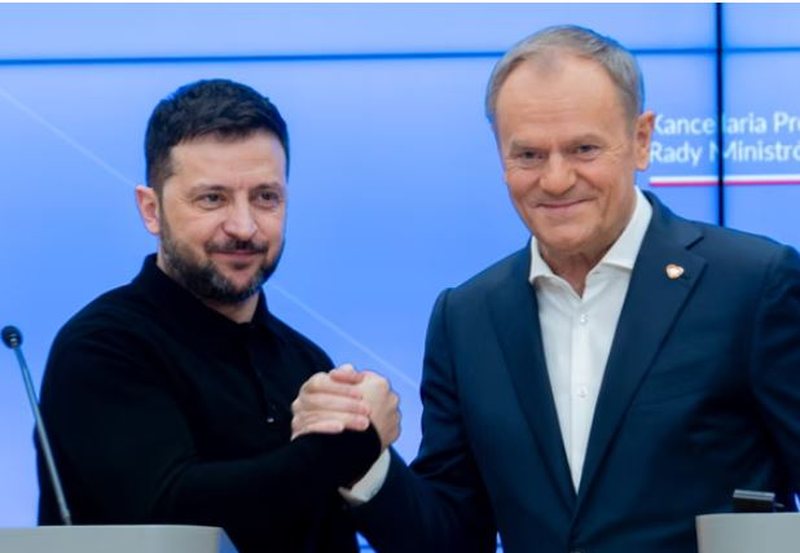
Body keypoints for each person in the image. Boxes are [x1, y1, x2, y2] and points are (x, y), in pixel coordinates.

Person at [292, 25, 800, 552]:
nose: (556, 180)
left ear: (641, 140)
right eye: (529, 155)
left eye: (584, 149)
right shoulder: (467, 317)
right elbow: (451, 536)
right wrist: (364, 457)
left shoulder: (752, 283)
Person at [37, 78, 398, 553]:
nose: (244, 227)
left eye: (266, 197)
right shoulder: (101, 347)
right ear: (151, 210)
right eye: (213, 198)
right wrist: (353, 443)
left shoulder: (305, 362)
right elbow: (173, 520)